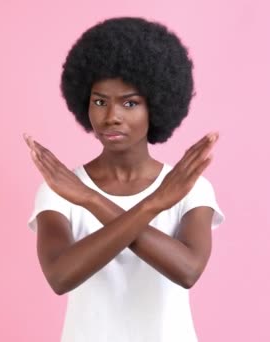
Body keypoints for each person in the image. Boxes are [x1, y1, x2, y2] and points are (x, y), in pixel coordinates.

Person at [24, 17, 225, 342]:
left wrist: (92, 199)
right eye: (100, 101)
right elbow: (60, 277)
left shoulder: (190, 189)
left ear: (156, 107)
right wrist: (152, 204)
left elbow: (187, 270)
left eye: (129, 103)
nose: (111, 116)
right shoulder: (59, 190)